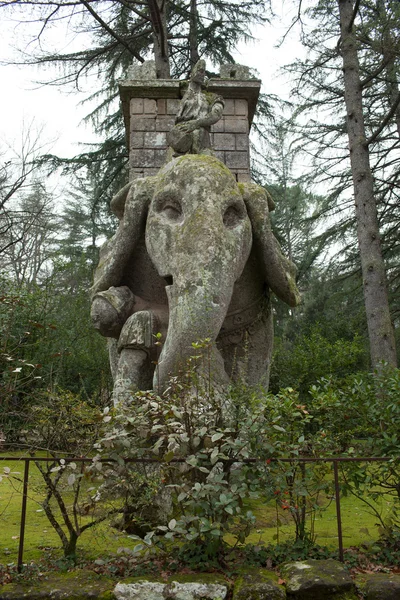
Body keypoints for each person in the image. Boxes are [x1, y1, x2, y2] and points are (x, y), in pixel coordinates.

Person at [167, 60, 224, 154]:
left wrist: (196, 123)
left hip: (201, 139)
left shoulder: (211, 97)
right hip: (180, 136)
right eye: (200, 71)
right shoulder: (183, 91)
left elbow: (216, 115)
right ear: (192, 73)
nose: (203, 75)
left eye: (204, 72)